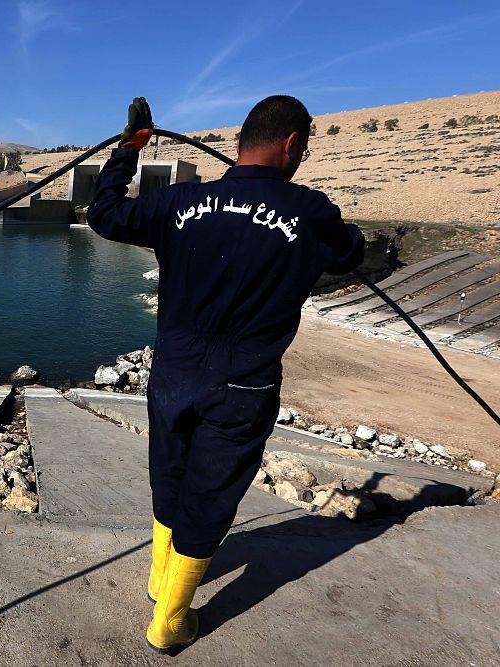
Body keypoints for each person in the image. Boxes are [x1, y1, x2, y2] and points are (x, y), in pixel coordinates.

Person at [87, 95, 364, 654]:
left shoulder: (181, 201)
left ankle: (158, 578)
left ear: (239, 141)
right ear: (291, 144)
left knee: (170, 472)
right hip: (244, 384)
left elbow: (105, 214)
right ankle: (169, 618)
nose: (303, 155)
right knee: (210, 495)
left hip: (172, 376)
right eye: (303, 147)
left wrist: (128, 150)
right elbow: (351, 254)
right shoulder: (310, 211)